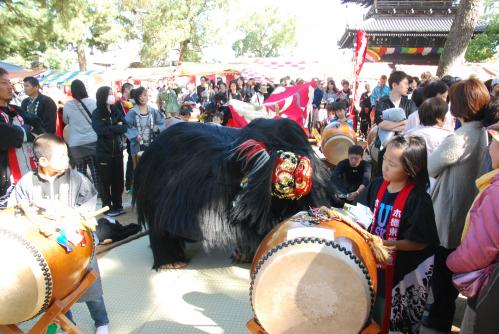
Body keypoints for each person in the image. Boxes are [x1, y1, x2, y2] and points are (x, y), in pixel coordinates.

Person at [9, 134, 109, 334]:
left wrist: (71, 217)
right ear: (43, 160)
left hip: (77, 243)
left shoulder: (76, 178)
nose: (67, 160)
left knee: (90, 286)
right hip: (48, 251)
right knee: (57, 293)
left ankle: (101, 322)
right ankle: (64, 322)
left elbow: (88, 204)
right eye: (61, 156)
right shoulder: (27, 182)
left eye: (66, 155)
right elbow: (16, 212)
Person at [423, 77, 491, 333]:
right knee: (454, 266)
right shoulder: (483, 133)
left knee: (443, 269)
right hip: (468, 208)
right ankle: (443, 312)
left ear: (459, 105)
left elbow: (431, 166)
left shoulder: (461, 137)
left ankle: (439, 318)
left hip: (450, 212)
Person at [359, 135, 439, 333]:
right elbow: (361, 213)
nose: (384, 166)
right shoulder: (377, 185)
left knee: (393, 317)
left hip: (401, 272)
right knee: (371, 312)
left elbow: (420, 243)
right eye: (384, 159)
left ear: (412, 168)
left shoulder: (419, 198)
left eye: (392, 164)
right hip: (373, 265)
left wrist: (383, 243)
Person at [445, 126, 499, 334]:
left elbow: (480, 249)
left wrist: (452, 261)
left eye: (494, 142)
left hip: (490, 291)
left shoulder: (495, 192)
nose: (489, 147)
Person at [0, 67, 43, 203]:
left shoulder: (15, 110)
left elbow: (39, 127)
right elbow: (7, 136)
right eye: (4, 83)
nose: (10, 87)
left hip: (27, 176)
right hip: (5, 182)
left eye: (10, 83)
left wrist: (21, 131)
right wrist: (25, 130)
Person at [91, 86, 127, 217]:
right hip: (103, 153)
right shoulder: (97, 113)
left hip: (117, 152)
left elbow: (125, 126)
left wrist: (113, 127)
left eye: (113, 93)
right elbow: (100, 130)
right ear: (102, 96)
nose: (112, 96)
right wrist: (115, 127)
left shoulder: (115, 110)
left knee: (118, 181)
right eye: (109, 94)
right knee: (105, 182)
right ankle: (107, 208)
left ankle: (118, 205)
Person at [373, 71, 417, 176]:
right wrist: (401, 124)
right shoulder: (382, 102)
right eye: (405, 83)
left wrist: (390, 126)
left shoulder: (409, 103)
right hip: (385, 147)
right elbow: (380, 123)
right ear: (394, 85)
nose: (408, 86)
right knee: (383, 177)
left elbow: (411, 124)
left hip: (405, 148)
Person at [63, 80, 99, 191]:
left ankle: (82, 193)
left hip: (76, 143)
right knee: (95, 170)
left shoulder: (68, 105)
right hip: (92, 140)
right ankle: (99, 192)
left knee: (80, 170)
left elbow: (66, 121)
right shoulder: (93, 102)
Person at [125, 87, 164, 169]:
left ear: (148, 96)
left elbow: (161, 123)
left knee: (152, 169)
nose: (142, 98)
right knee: (139, 169)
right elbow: (127, 126)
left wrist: (157, 128)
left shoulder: (153, 111)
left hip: (152, 144)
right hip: (137, 145)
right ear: (136, 97)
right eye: (140, 96)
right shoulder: (132, 112)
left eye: (144, 95)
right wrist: (135, 135)